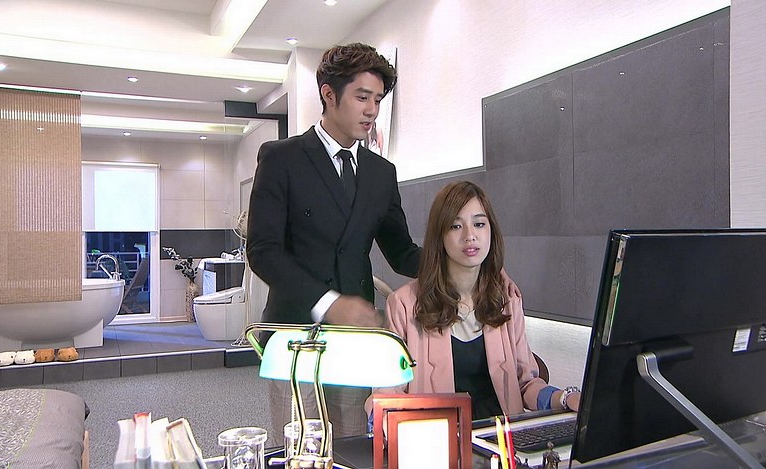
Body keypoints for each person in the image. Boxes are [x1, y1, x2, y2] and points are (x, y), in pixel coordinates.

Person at [246, 43, 421, 440]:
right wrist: (330, 303)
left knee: (352, 443)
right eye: (362, 97)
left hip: (356, 336)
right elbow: (262, 251)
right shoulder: (281, 158)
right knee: (300, 447)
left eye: (378, 100)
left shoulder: (381, 173)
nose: (372, 110)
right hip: (295, 335)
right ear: (329, 94)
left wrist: (461, 266)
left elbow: (402, 252)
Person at [366, 181, 581, 420]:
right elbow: (387, 393)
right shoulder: (404, 305)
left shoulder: (506, 298)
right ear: (440, 236)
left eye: (479, 224)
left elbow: (526, 384)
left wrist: (565, 397)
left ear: (491, 231)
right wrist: (381, 419)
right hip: (440, 438)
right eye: (456, 226)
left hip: (501, 436)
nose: (470, 236)